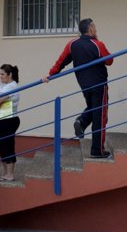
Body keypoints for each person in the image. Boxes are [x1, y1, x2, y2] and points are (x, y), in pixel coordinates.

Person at [44, 18, 114, 158]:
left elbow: (61, 61)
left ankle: (82, 121)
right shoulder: (97, 44)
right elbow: (109, 61)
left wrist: (50, 74)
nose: (96, 29)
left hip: (84, 85)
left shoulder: (72, 44)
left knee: (95, 111)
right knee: (100, 116)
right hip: (99, 84)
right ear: (90, 29)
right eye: (94, 26)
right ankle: (97, 150)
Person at [0, 64, 21, 182]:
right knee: (1, 146)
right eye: (0, 74)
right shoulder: (3, 85)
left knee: (7, 146)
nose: (0, 76)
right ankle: (5, 173)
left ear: (10, 75)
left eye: (2, 74)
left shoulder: (11, 87)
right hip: (1, 120)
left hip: (9, 120)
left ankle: (10, 174)